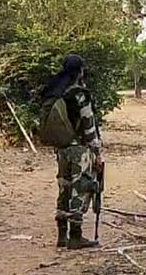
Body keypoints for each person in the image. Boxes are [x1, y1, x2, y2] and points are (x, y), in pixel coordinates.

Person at [41, 54, 103, 250]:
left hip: (61, 149)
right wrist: (96, 149)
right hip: (78, 149)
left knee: (64, 188)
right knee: (79, 188)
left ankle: (62, 235)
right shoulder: (79, 94)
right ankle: (76, 236)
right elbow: (88, 124)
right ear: (80, 71)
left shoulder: (56, 92)